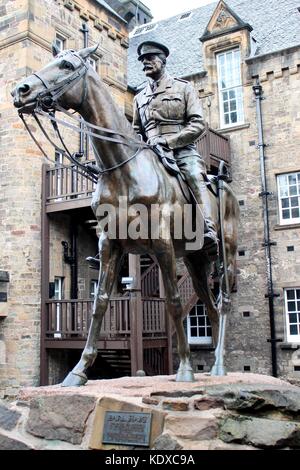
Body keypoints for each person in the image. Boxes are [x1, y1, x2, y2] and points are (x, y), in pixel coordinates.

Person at [132, 40, 218, 258]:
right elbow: (136, 131)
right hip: (150, 154)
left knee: (194, 176)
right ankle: (114, 239)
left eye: (150, 59)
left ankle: (209, 229)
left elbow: (198, 124)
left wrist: (169, 142)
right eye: (142, 60)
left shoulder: (183, 88)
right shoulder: (138, 98)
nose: (145, 63)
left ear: (163, 61)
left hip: (180, 151)